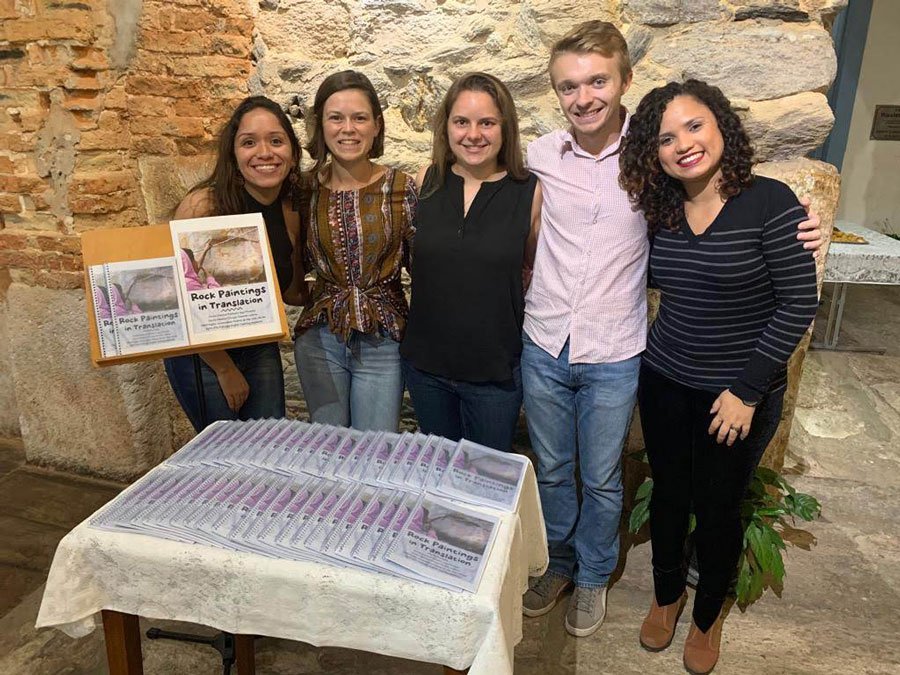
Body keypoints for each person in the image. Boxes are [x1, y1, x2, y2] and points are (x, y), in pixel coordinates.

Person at [519, 21, 823, 638]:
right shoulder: (545, 155)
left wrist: (805, 228)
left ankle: (602, 578)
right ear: (556, 93)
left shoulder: (654, 155)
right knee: (557, 469)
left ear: (624, 79)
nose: (584, 97)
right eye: (569, 86)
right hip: (552, 339)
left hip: (617, 348)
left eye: (598, 80)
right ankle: (568, 566)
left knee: (607, 476)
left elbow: (741, 209)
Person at [618, 79, 819, 674]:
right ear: (652, 154)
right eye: (665, 138)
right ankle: (666, 594)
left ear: (721, 126)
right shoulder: (659, 212)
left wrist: (748, 390)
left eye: (695, 126)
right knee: (671, 495)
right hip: (665, 380)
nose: (683, 144)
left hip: (738, 393)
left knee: (720, 505)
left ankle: (707, 616)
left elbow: (797, 304)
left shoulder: (771, 201)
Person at [400, 72, 543, 452]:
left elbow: (528, 270)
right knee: (438, 478)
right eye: (462, 122)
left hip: (494, 375)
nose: (473, 134)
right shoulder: (426, 181)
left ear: (504, 128)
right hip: (426, 368)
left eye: (487, 123)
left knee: (487, 486)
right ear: (446, 127)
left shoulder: (528, 192)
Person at [164, 96, 305, 431]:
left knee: (268, 447)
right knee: (222, 455)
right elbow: (181, 302)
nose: (265, 153)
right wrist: (225, 369)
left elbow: (293, 292)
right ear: (233, 153)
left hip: (258, 346)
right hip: (202, 355)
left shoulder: (290, 208)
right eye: (249, 142)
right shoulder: (203, 205)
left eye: (276, 140)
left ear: (292, 151)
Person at [293, 70, 416, 431]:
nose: (348, 128)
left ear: (376, 125)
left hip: (383, 341)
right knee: (328, 451)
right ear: (321, 125)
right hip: (319, 340)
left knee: (376, 452)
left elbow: (425, 271)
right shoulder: (303, 190)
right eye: (336, 118)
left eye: (359, 118)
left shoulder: (402, 189)